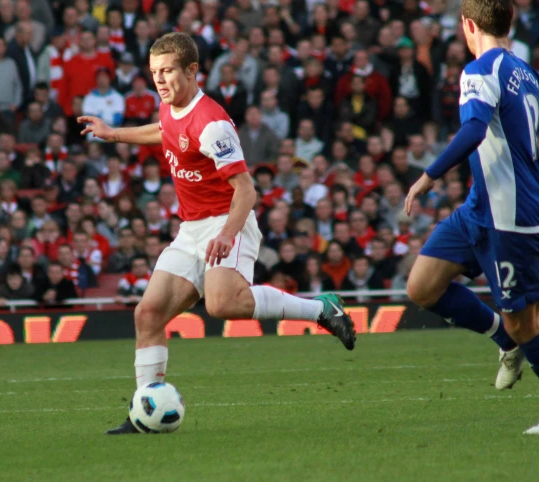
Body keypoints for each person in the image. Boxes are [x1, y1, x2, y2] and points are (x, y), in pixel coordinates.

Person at [78, 32, 356, 435]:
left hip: (229, 219)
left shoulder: (213, 124)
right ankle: (144, 411)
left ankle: (321, 310)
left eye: (168, 70)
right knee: (149, 313)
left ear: (192, 70)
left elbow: (247, 190)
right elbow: (164, 129)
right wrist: (113, 132)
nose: (159, 79)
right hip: (192, 228)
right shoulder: (171, 104)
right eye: (155, 71)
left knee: (223, 305)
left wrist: (226, 233)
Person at [404, 0, 539, 434]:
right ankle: (502, 339)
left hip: (512, 217)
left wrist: (428, 176)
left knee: (527, 324)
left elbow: (473, 131)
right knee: (422, 288)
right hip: (478, 209)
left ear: (469, 25)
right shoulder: (527, 73)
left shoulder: (478, 70)